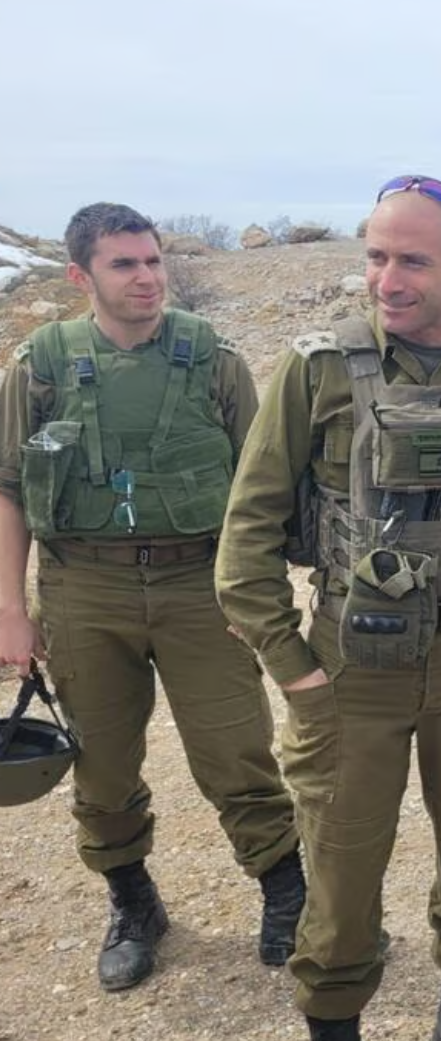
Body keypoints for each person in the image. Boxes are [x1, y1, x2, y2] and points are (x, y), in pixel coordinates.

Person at [214, 175, 441, 1041]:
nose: (387, 279)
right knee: (342, 867)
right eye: (376, 256)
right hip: (351, 657)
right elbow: (248, 531)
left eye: (413, 261)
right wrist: (294, 669)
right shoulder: (316, 371)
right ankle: (334, 1017)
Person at [0, 202, 303, 991]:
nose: (147, 278)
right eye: (124, 264)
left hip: (199, 582)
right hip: (83, 586)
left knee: (236, 751)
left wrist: (255, 595)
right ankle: (134, 904)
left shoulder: (214, 360)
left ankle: (286, 893)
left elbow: (261, 489)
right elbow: (9, 488)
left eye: (154, 260)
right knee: (100, 765)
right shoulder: (40, 365)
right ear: (81, 276)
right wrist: (12, 611)